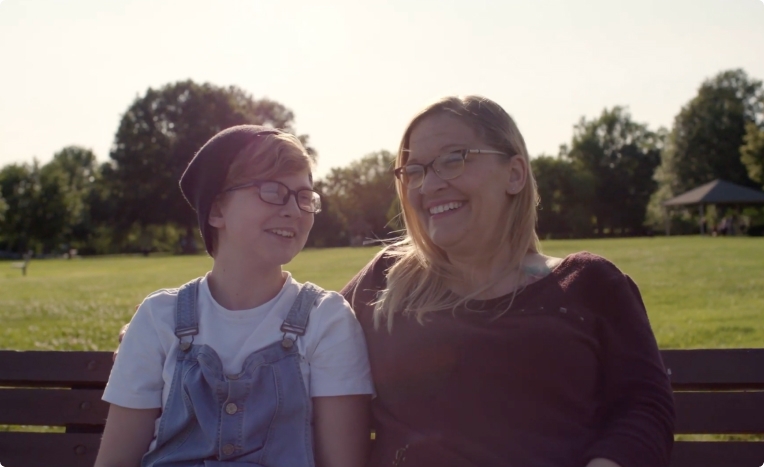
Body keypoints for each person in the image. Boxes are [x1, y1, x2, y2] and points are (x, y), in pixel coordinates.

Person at [341, 95, 675, 467]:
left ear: (515, 174)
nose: (429, 185)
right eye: (414, 171)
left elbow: (644, 407)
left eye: (453, 159)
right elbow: (295, 355)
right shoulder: (386, 281)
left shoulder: (589, 284)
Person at [96, 126, 374, 467]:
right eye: (273, 191)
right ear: (216, 211)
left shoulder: (326, 319)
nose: (294, 210)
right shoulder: (159, 318)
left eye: (304, 196)